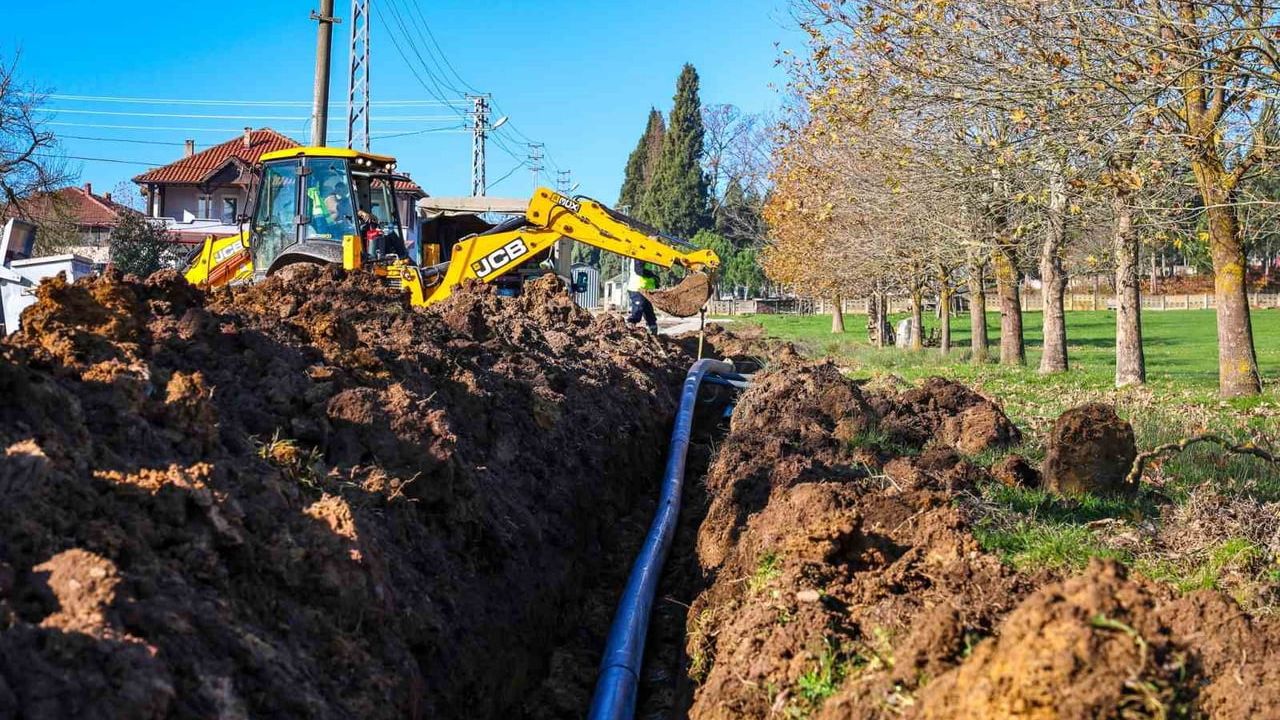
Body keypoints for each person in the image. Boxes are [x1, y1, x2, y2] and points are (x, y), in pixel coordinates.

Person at [626, 259, 659, 335]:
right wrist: (652, 275)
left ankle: (653, 330)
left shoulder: (649, 256)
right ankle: (630, 327)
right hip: (637, 288)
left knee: (649, 312)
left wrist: (655, 280)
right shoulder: (639, 254)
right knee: (638, 309)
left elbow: (647, 274)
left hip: (646, 290)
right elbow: (639, 270)